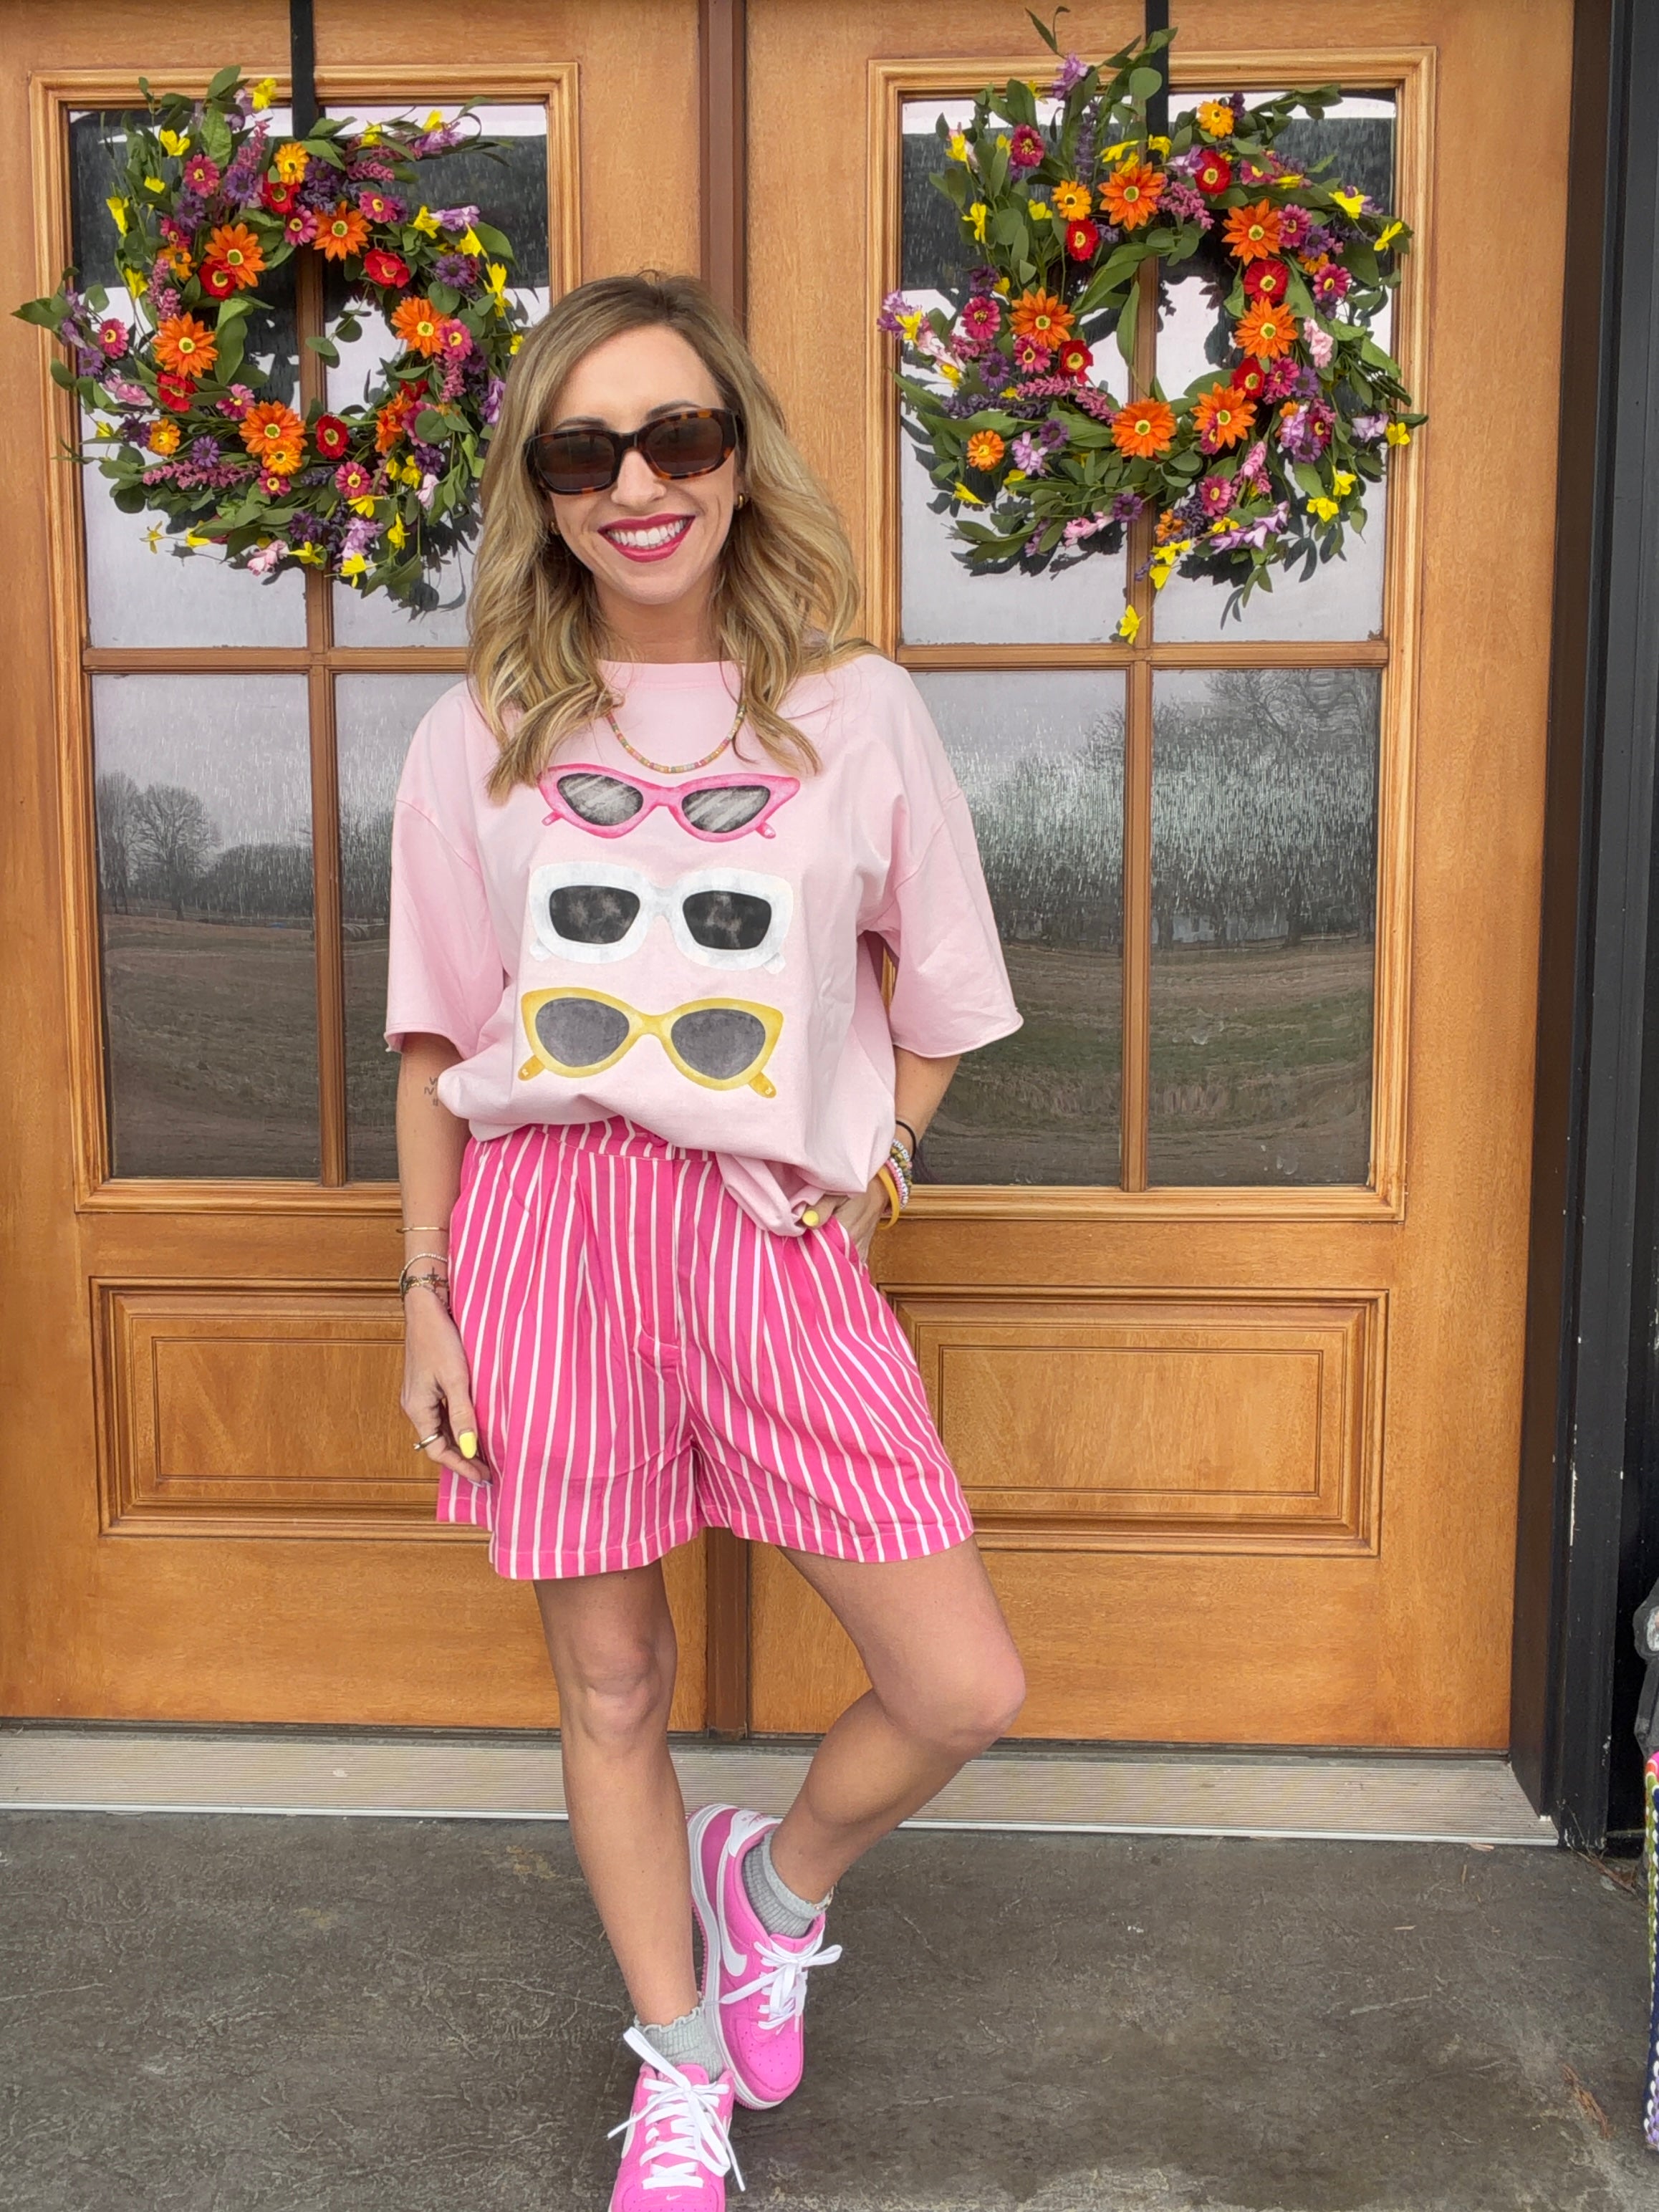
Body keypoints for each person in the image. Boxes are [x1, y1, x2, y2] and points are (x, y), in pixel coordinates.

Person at [387, 271, 1026, 2209]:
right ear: (540, 489)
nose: (636, 486)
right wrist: (424, 1291)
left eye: (677, 437)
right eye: (584, 452)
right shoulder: (479, 732)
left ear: (740, 457)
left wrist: (874, 1171)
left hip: (768, 1238)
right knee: (612, 1685)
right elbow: (435, 1036)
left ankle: (772, 1884)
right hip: (547, 1229)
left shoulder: (856, 710)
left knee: (961, 1687)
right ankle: (675, 2070)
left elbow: (941, 990)